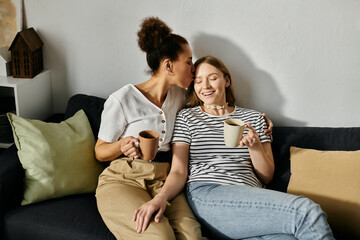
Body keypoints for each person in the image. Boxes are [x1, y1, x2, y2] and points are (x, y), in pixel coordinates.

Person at [167, 55, 335, 240]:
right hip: (208, 193)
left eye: (213, 78)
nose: (205, 86)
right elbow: (178, 170)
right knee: (306, 212)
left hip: (251, 197)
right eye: (198, 81)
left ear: (227, 80)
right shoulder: (187, 118)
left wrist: (255, 147)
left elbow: (267, 176)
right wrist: (159, 200)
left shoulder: (254, 118)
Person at [94, 16, 204, 240]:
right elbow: (99, 151)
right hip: (123, 178)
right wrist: (122, 145)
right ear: (168, 65)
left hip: (164, 180)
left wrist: (259, 121)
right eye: (189, 61)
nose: (194, 68)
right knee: (160, 236)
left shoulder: (179, 97)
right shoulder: (123, 99)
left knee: (192, 236)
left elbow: (212, 109)